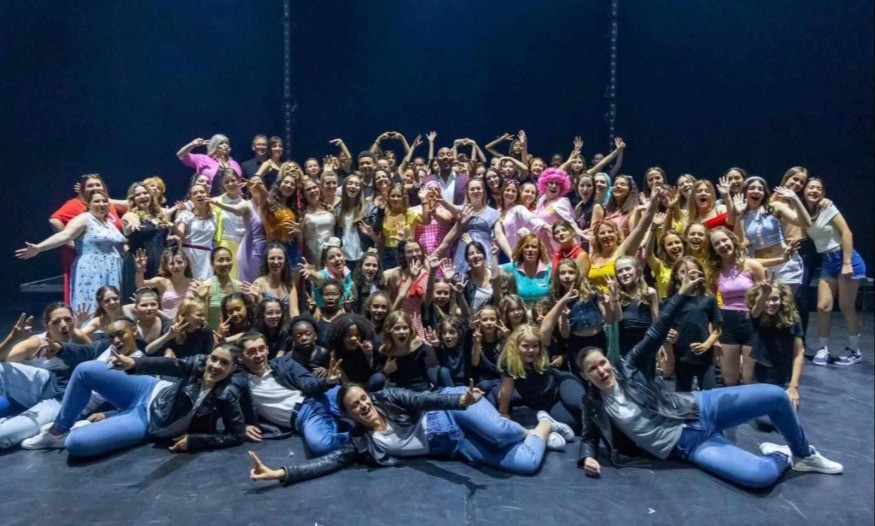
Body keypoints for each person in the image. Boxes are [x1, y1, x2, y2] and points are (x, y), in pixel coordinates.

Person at [575, 271, 843, 489]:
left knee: (776, 396)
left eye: (602, 363)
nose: (601, 370)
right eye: (592, 369)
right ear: (585, 375)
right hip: (687, 444)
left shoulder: (627, 367)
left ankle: (805, 454)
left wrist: (681, 295)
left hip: (700, 406)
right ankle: (781, 455)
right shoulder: (592, 404)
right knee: (759, 476)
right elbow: (588, 437)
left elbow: (655, 333)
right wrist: (588, 457)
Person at [247, 381, 568, 485]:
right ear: (348, 414)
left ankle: (530, 427)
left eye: (364, 399)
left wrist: (460, 400)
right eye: (355, 406)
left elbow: (423, 400)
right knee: (526, 464)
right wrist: (281, 472)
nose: (363, 405)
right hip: (456, 445)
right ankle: (543, 426)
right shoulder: (362, 442)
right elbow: (327, 462)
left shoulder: (389, 397)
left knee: (499, 431)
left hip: (453, 408)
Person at [23, 343, 246, 457]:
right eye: (213, 359)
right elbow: (171, 365)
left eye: (224, 363)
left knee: (76, 444)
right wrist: (134, 364)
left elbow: (236, 435)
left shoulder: (227, 393)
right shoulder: (198, 363)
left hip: (147, 421)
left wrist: (196, 441)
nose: (215, 366)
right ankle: (57, 430)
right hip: (149, 389)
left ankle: (82, 428)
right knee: (85, 370)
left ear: (233, 368)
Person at [237, 331, 348, 455]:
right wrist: (242, 426)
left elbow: (307, 381)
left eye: (261, 349)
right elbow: (227, 405)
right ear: (241, 357)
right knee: (322, 445)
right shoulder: (239, 382)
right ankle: (360, 437)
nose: (258, 355)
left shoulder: (283, 362)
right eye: (251, 352)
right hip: (304, 414)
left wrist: (327, 381)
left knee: (358, 397)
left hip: (321, 395)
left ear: (267, 350)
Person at [18, 190, 126, 317]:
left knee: (112, 306)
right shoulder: (84, 219)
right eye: (97, 201)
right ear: (88, 204)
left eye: (104, 201)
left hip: (113, 269)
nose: (101, 204)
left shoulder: (108, 223)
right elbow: (65, 235)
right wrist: (39, 247)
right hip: (93, 270)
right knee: (91, 307)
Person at [0, 304, 90, 449]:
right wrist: (13, 337)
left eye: (68, 319)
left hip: (59, 398)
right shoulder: (35, 343)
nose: (63, 325)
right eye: (56, 321)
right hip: (41, 384)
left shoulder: (78, 337)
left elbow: (93, 360)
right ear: (46, 325)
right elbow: (2, 361)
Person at [802, 178, 867, 366]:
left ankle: (854, 350)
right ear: (804, 191)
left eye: (819, 188)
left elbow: (847, 233)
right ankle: (823, 348)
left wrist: (846, 263)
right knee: (823, 306)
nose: (814, 191)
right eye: (811, 187)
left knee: (846, 306)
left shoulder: (828, 207)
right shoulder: (804, 212)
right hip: (828, 261)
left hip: (846, 258)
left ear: (823, 192)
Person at [49, 174, 124, 304]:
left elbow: (130, 204)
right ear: (82, 190)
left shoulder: (107, 205)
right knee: (92, 300)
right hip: (90, 262)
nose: (95, 188)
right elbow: (55, 221)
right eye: (90, 186)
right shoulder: (76, 205)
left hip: (111, 263)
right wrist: (70, 243)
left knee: (112, 300)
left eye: (98, 185)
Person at [706, 227, 765, 386]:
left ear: (732, 240)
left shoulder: (753, 265)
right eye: (717, 244)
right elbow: (712, 304)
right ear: (713, 250)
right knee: (729, 379)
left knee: (749, 378)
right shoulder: (714, 272)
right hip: (727, 323)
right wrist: (713, 334)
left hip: (752, 321)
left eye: (724, 240)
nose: (722, 245)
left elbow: (764, 296)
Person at [121, 181, 171, 298]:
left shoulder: (159, 216)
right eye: (138, 195)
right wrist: (132, 221)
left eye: (145, 193)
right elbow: (128, 219)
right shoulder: (131, 215)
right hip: (140, 266)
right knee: (140, 300)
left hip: (160, 265)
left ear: (151, 195)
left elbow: (161, 240)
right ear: (133, 199)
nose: (142, 196)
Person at [135, 246, 195, 320]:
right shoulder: (161, 282)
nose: (176, 266)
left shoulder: (194, 284)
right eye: (171, 263)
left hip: (188, 323)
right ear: (166, 266)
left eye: (180, 262)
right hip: (167, 323)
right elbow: (140, 285)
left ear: (186, 263)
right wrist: (140, 271)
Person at [174, 183, 217, 280]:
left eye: (202, 192)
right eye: (195, 193)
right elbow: (180, 234)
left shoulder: (214, 216)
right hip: (189, 255)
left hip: (206, 257)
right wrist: (173, 226)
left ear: (207, 195)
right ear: (191, 199)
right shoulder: (186, 214)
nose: (199, 195)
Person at [176, 135, 243, 192]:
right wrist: (192, 144)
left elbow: (239, 184)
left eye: (226, 143)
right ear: (214, 145)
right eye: (221, 143)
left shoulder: (234, 164)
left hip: (232, 199)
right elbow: (181, 155)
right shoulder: (203, 159)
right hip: (209, 198)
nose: (225, 145)